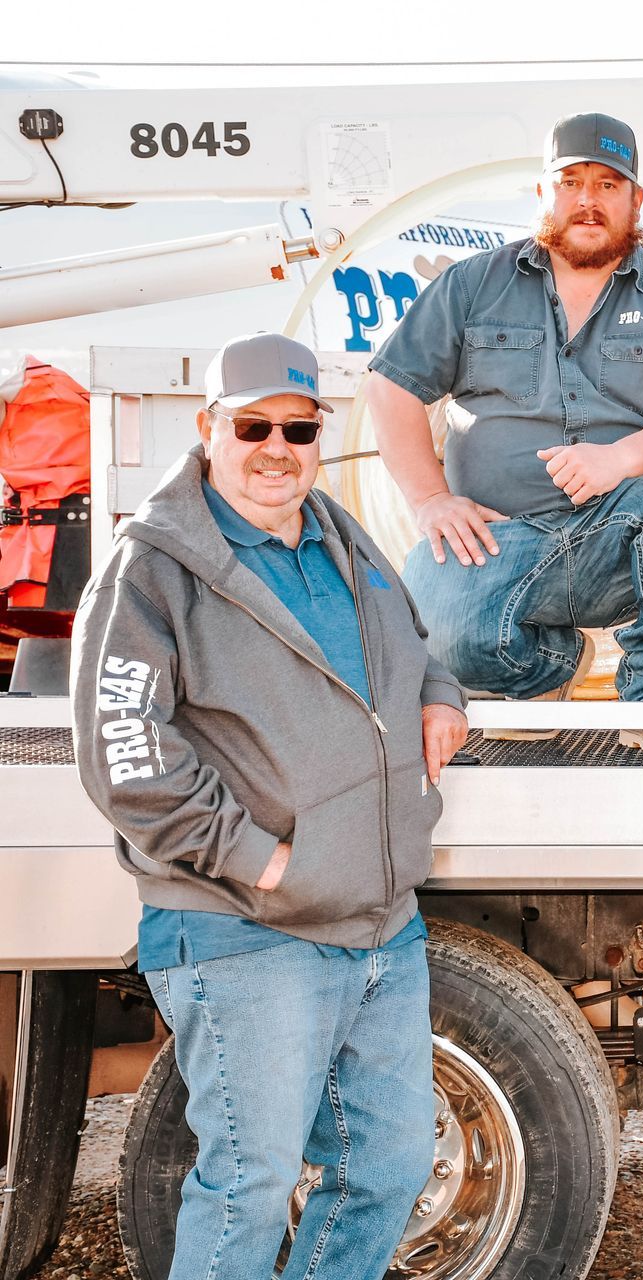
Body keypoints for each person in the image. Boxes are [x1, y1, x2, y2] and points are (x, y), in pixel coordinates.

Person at [71, 332, 467, 1278]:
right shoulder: (154, 568)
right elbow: (127, 755)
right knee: (250, 1182)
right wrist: (261, 860)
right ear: (209, 427)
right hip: (247, 928)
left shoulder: (338, 532)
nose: (276, 447)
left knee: (388, 1165)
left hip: (380, 926)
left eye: (297, 427)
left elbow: (410, 637)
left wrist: (441, 693)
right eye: (253, 425)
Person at [366, 111, 643, 752]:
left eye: (607, 184)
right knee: (435, 630)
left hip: (622, 536)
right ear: (544, 193)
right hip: (498, 536)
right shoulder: (472, 284)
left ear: (635, 199)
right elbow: (389, 386)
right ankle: (541, 672)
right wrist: (432, 501)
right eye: (571, 182)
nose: (588, 200)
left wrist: (618, 459)